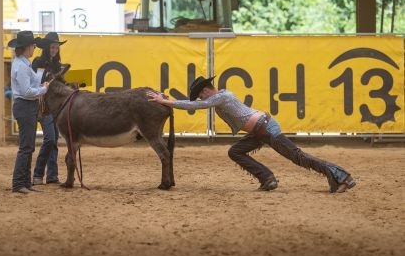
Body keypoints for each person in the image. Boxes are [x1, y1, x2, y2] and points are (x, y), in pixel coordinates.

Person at [147, 76, 356, 193]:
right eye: (200, 94)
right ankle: (267, 179)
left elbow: (194, 105)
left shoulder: (221, 96)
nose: (201, 96)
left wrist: (165, 101)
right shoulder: (221, 96)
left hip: (266, 129)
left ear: (207, 90)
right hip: (260, 129)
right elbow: (198, 103)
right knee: (236, 151)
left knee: (298, 157)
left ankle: (341, 176)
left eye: (201, 93)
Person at [9, 31, 50, 194]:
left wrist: (41, 85)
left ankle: (24, 182)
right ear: (27, 47)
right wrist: (43, 89)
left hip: (27, 106)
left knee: (28, 146)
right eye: (33, 45)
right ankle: (19, 183)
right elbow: (26, 91)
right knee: (26, 147)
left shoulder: (23, 63)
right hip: (25, 105)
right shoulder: (22, 65)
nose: (34, 47)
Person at [31, 32, 67, 185]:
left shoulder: (57, 65)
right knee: (50, 139)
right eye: (52, 47)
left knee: (53, 140)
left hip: (54, 107)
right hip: (42, 106)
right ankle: (38, 173)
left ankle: (52, 176)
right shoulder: (38, 62)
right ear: (46, 48)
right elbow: (35, 82)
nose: (54, 50)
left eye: (56, 47)